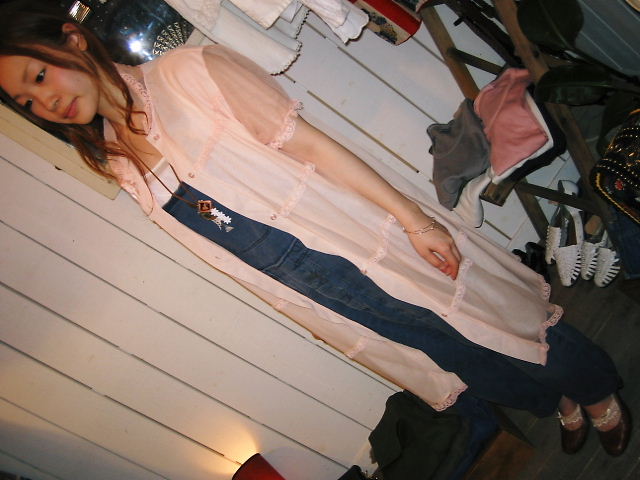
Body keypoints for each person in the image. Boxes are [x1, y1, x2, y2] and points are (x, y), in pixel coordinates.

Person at [0, 0, 630, 457]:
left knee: (496, 320)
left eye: (39, 76)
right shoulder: (119, 162)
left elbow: (314, 149)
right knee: (454, 354)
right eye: (28, 103)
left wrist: (413, 221)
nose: (46, 102)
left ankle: (597, 391)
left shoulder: (187, 74)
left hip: (363, 246)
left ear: (71, 40)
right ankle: (557, 400)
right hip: (322, 290)